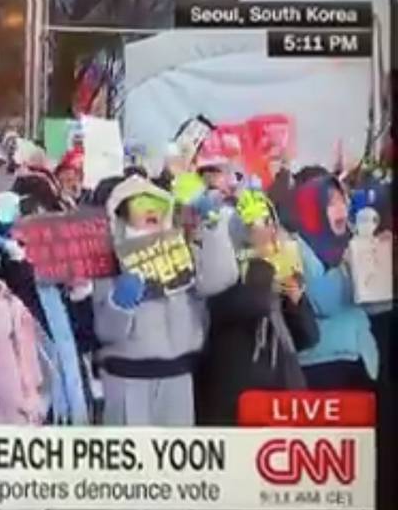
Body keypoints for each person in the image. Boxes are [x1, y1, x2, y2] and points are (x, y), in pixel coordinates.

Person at [91, 175, 238, 426]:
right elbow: (104, 332)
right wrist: (119, 305)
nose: (151, 214)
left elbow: (220, 278)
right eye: (140, 207)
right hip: (128, 378)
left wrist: (213, 227)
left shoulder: (181, 251)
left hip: (178, 377)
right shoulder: (108, 261)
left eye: (157, 208)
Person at [197, 192, 319, 424]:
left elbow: (308, 337)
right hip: (237, 399)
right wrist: (262, 265)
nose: (268, 232)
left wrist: (296, 302)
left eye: (269, 222)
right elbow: (251, 305)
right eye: (255, 224)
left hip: (284, 391)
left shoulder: (280, 273)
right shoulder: (220, 280)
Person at [289, 174, 379, 391]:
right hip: (323, 364)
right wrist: (348, 265)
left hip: (360, 358)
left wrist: (377, 261)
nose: (340, 208)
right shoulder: (298, 248)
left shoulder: (349, 242)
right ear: (312, 210)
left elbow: (372, 302)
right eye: (331, 203)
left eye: (342, 200)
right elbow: (322, 301)